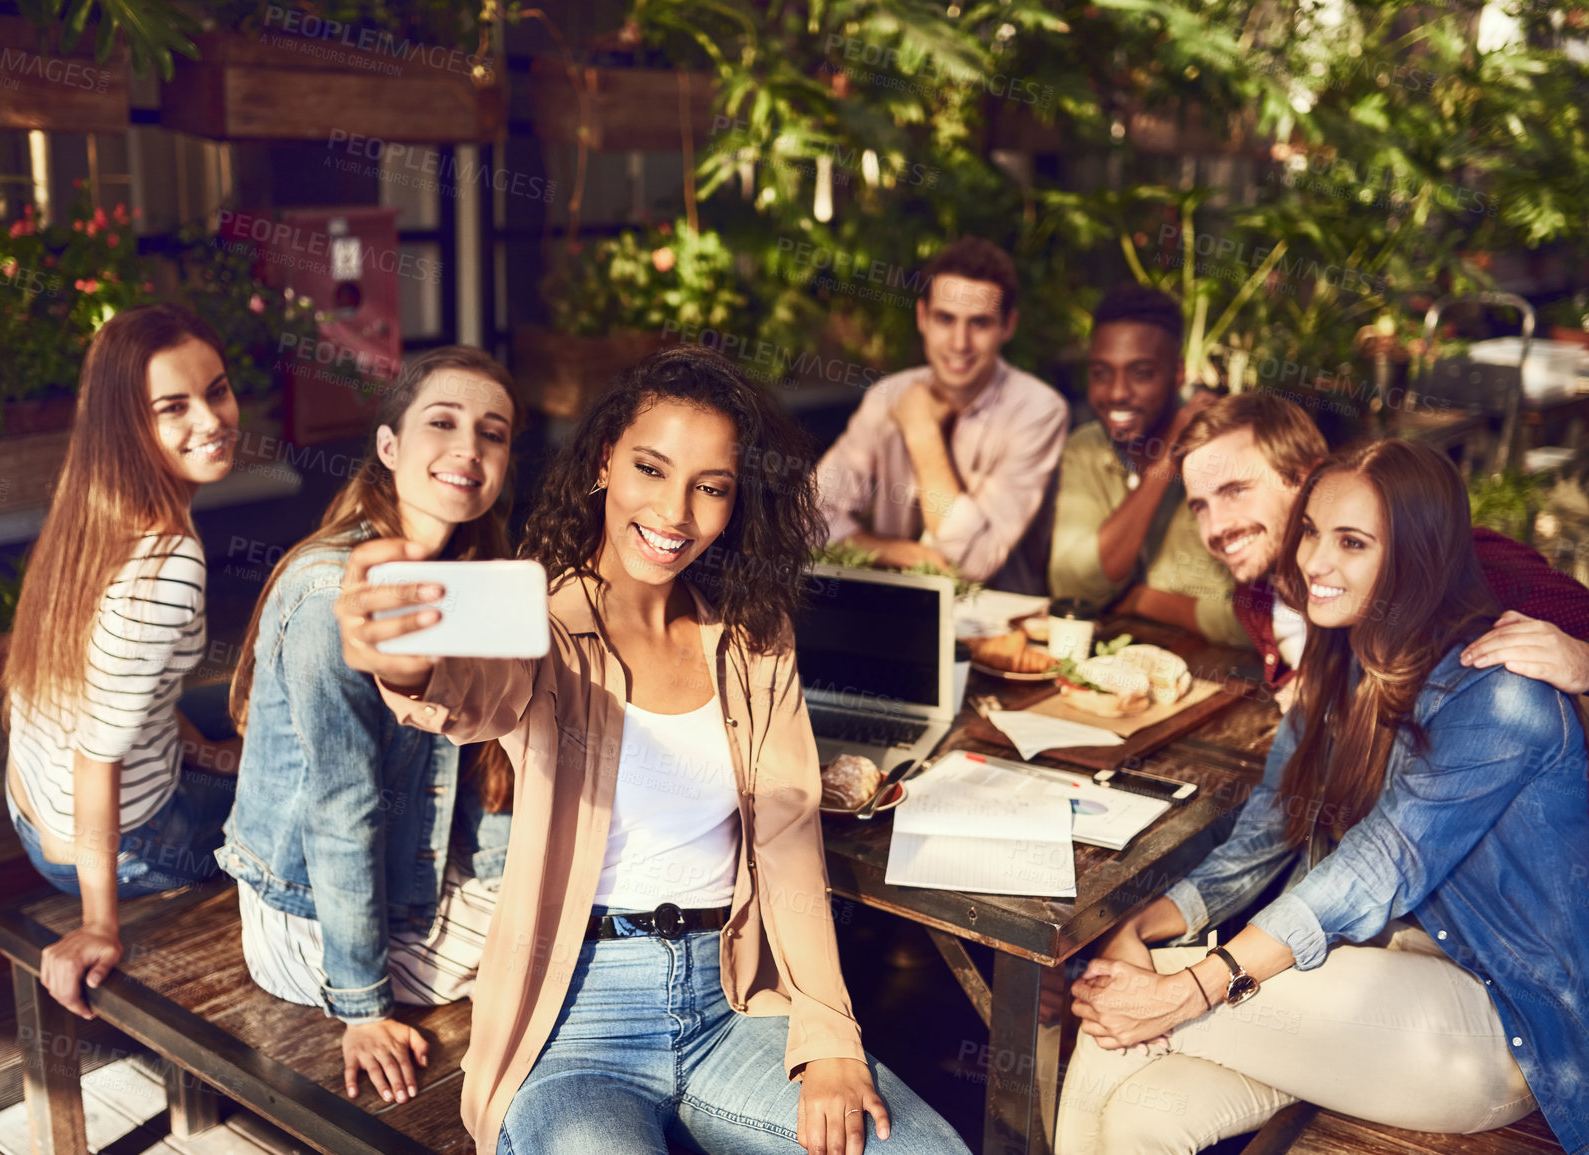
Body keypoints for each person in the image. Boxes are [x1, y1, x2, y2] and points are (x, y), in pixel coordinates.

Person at [335, 347, 972, 1155]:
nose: (675, 511)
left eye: (709, 486)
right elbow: (467, 696)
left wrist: (831, 1033)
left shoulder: (752, 638)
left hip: (734, 1001)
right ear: (605, 461)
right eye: (650, 468)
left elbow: (786, 843)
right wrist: (404, 661)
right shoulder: (544, 618)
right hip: (574, 1024)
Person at [1057, 438, 1589, 1155]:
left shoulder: (1497, 690)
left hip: (1495, 1026)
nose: (1314, 561)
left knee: (1123, 1009)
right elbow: (1264, 831)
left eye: (1351, 541)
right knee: (1140, 1114)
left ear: (1417, 556)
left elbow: (1380, 861)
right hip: (1369, 983)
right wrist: (1145, 924)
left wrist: (1187, 981)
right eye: (1311, 531)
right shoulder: (1340, 661)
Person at [218, 348, 519, 1106]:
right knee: (572, 946)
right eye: (442, 422)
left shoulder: (471, 579)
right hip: (312, 918)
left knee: (574, 907)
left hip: (410, 878)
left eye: (493, 433)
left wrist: (509, 881)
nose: (469, 449)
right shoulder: (332, 596)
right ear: (389, 447)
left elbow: (487, 774)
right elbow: (342, 809)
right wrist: (363, 1007)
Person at [0, 303, 244, 1020]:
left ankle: (207, 756)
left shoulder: (93, 506)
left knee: (247, 702)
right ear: (128, 424)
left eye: (217, 390)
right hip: (127, 841)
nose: (211, 419)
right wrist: (99, 922)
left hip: (31, 808)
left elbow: (118, 684)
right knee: (325, 767)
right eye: (174, 407)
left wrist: (208, 752)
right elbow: (95, 755)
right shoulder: (168, 563)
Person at [1177, 390, 1589, 699]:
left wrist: (1585, 663)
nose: (1217, 527)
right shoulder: (1256, 595)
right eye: (1200, 506)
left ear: (1305, 479)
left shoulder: (1470, 561)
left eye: (1236, 491)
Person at [813, 236, 1068, 588]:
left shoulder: (1039, 410)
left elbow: (971, 565)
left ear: (1007, 326)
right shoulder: (888, 395)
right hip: (893, 611)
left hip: (994, 618)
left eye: (979, 323)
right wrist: (897, 553)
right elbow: (808, 517)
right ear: (923, 318)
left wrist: (921, 430)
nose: (959, 343)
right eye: (946, 319)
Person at [1048, 285, 1244, 644]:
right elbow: (1072, 590)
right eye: (1101, 373)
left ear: (1178, 373)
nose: (1117, 393)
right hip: (1112, 672)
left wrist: (1142, 600)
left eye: (1140, 373)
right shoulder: (1086, 447)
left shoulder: (1223, 449)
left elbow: (1256, 622)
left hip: (1223, 679)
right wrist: (1166, 459)